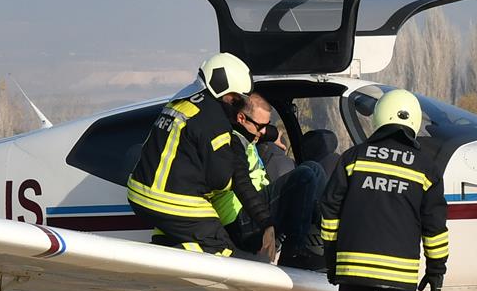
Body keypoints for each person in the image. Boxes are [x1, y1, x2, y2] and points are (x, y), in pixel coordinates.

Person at [320, 89, 449, 291]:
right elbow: (435, 228)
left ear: (378, 119)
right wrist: (436, 271)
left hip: (353, 265)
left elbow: (329, 209)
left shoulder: (353, 158)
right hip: (398, 271)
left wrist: (332, 255)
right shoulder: (426, 169)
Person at [127, 52, 267, 257]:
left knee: (183, 229)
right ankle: (175, 262)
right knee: (220, 249)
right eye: (237, 99)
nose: (238, 106)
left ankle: (165, 247)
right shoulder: (214, 119)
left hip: (139, 193)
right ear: (225, 92)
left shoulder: (182, 102)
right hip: (168, 199)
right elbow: (220, 178)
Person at [210, 93, 327, 264]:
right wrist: (266, 222)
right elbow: (242, 183)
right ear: (241, 118)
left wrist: (274, 135)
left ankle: (325, 233)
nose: (263, 131)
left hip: (255, 211)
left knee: (313, 168)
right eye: (260, 126)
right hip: (242, 221)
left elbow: (266, 131)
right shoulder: (232, 142)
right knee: (304, 176)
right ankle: (293, 253)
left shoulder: (249, 131)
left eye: (267, 125)